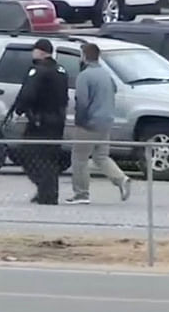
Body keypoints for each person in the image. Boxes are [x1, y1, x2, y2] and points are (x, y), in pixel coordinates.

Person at [65, 43, 130, 205]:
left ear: (85, 56)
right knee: (101, 156)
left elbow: (82, 101)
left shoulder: (85, 76)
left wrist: (80, 121)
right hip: (106, 120)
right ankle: (121, 179)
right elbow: (114, 90)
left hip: (89, 123)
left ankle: (81, 193)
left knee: (79, 158)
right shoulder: (105, 74)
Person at [12, 38, 69, 205]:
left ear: (41, 52)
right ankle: (48, 191)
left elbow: (28, 94)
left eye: (35, 50)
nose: (33, 53)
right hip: (58, 120)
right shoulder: (61, 70)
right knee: (50, 158)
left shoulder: (38, 70)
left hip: (40, 121)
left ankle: (46, 192)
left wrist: (19, 109)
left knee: (29, 155)